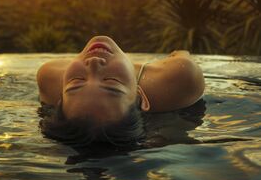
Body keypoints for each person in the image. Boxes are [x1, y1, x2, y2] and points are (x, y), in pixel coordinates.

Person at [37, 35, 205, 147]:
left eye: (77, 81)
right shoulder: (181, 79)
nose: (94, 62)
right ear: (140, 96)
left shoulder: (50, 78)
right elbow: (181, 53)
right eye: (112, 82)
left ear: (59, 100)